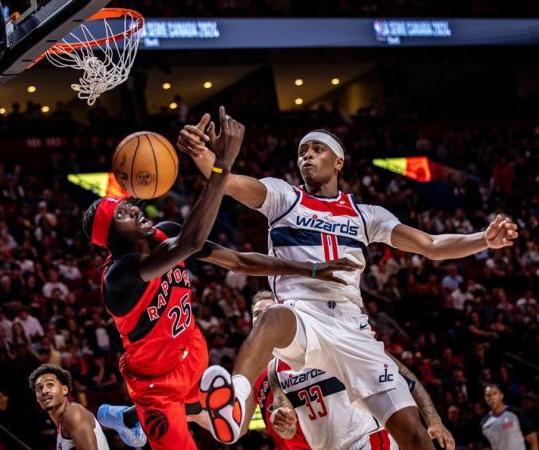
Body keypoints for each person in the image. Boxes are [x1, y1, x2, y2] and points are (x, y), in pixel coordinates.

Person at [178, 115, 518, 449]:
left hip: (351, 327)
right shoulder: (284, 197)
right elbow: (229, 181)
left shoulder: (366, 214)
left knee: (413, 435)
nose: (306, 156)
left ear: (338, 160)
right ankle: (235, 403)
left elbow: (430, 245)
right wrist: (202, 154)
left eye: (316, 149)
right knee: (272, 316)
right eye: (302, 151)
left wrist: (483, 240)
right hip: (304, 318)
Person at [82, 107, 358, 450]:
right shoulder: (119, 275)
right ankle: (137, 416)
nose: (134, 209)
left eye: (128, 205)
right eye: (122, 214)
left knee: (234, 427)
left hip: (194, 358)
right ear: (112, 237)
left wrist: (309, 269)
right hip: (157, 386)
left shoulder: (164, 234)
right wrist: (220, 166)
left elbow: (240, 261)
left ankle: (130, 419)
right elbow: (191, 243)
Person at [251, 290, 454, 450]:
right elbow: (288, 427)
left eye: (269, 311)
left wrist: (433, 420)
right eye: (257, 314)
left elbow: (403, 374)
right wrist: (282, 423)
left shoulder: (333, 336)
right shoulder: (274, 370)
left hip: (367, 438)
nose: (263, 318)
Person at [28, 364, 121, 450]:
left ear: (64, 390)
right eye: (39, 388)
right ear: (37, 399)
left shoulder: (72, 412)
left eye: (50, 385)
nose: (44, 391)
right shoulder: (62, 425)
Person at [481, 384, 539, 450]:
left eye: (494, 394)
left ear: (501, 396)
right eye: (488, 395)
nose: (491, 397)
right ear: (485, 398)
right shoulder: (484, 424)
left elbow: (532, 438)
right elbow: (486, 447)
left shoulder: (516, 413)